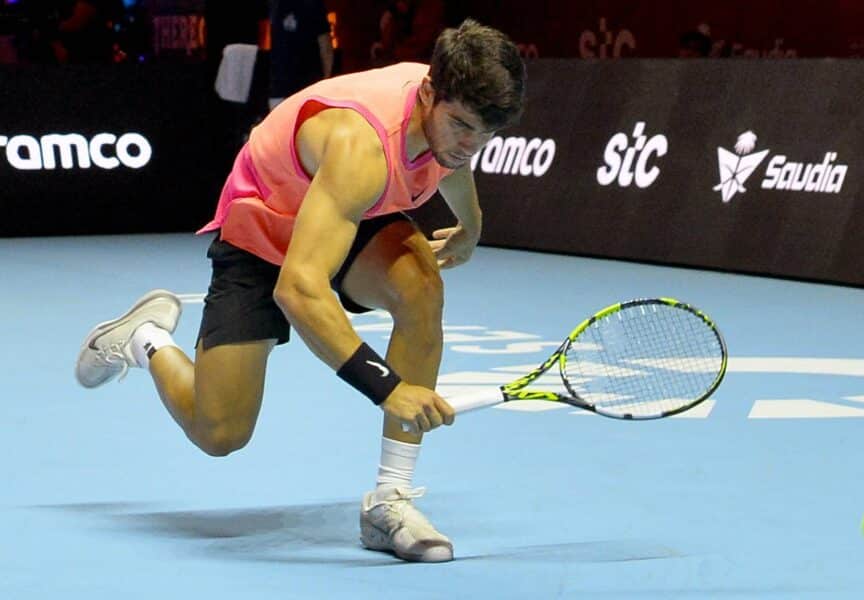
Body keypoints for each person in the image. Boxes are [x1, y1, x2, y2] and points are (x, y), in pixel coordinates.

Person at [75, 19, 526, 563]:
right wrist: (388, 388)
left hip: (343, 212)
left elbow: (451, 161)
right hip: (263, 228)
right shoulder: (362, 146)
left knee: (421, 289)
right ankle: (142, 339)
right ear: (429, 93)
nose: (468, 145)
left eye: (485, 134)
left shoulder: (447, 116)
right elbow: (299, 289)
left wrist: (471, 223)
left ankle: (391, 500)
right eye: (460, 125)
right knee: (219, 431)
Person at [267, 0, 334, 110]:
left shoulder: (313, 4)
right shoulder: (274, 4)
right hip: (282, 87)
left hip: (304, 87)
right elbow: (325, 45)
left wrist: (325, 81)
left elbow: (325, 45)